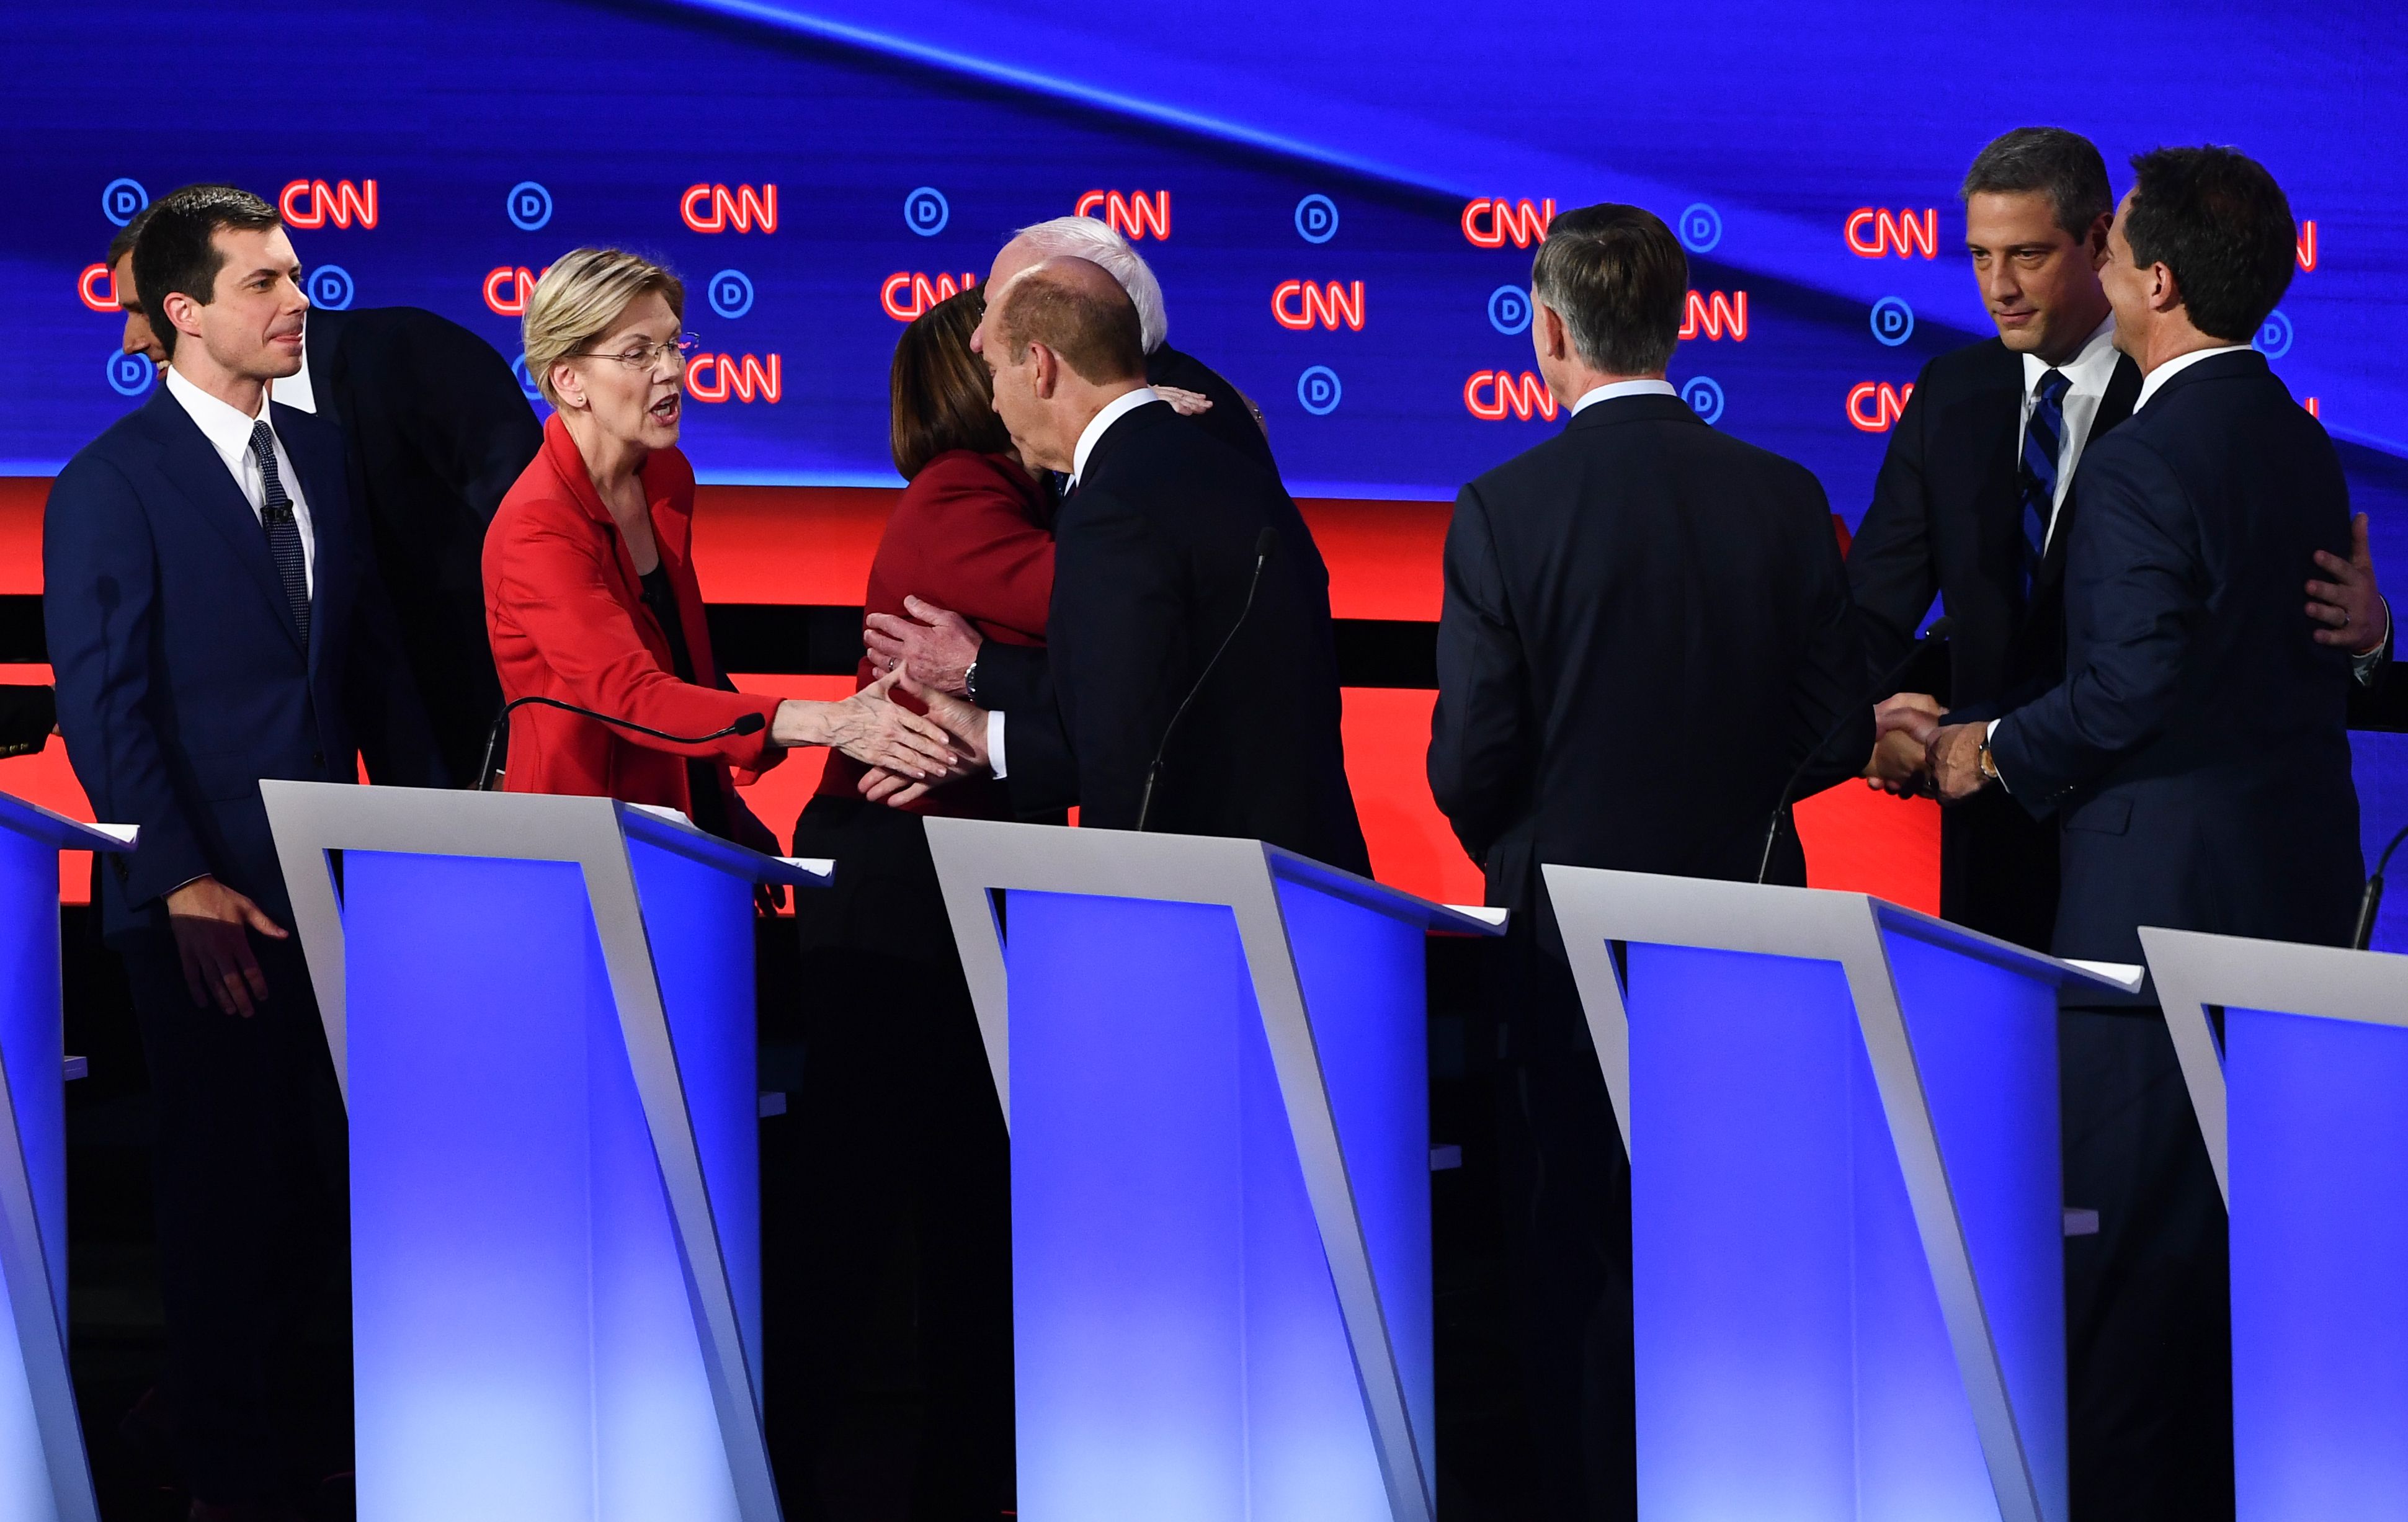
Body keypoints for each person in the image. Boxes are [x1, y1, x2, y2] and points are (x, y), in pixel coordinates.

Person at [1922, 146, 2361, 1521]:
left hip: (2148, 929)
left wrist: (1983, 749)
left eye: (2108, 249)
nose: (2094, 265)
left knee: (2123, 1286)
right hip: (2295, 902)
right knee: (2255, 1267)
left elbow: (2128, 688)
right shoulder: (2299, 436)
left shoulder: (2140, 464)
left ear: (2154, 282)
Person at [1426, 203, 1871, 1522]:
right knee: (1734, 1275)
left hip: (1564, 962)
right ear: (1681, 321)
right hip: (1752, 946)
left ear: (1547, 330)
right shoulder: (1787, 498)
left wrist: (1530, 852)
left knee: (1578, 1283)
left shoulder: (1506, 508)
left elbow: (1468, 760)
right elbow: (1838, 725)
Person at [45, 182, 446, 1521]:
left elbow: (368, 667)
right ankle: (222, 1474)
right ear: (182, 314)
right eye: (265, 284)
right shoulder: (113, 482)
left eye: (299, 277)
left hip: (340, 893)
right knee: (225, 1199)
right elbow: (109, 707)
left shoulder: (322, 460)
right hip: (200, 900)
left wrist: (442, 838)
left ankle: (314, 1455)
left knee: (328, 1190)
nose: (298, 305)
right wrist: (178, 880)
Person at [1849, 127, 2388, 950]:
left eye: (2026, 255)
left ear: (2102, 243)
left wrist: (2370, 641)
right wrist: (1859, 730)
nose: (1999, 288)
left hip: (2144, 851)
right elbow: (1872, 611)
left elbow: (2195, 659)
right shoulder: (1950, 394)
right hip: (1996, 842)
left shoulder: (2184, 405)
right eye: (1978, 256)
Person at [774, 284, 1035, 1520]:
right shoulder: (957, 502)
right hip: (900, 902)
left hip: (942, 890)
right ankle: (769, 1473)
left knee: (963, 1210)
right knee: (860, 1212)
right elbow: (1110, 612)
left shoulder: (992, 500)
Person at [868, 257, 1368, 873]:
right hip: (1311, 873)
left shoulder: (1113, 507)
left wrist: (987, 713)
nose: (993, 404)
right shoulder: (1229, 468)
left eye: (995, 373)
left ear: (1041, 368)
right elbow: (1174, 697)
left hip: (1200, 892)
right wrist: (989, 736)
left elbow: (1122, 732)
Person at [483, 246, 960, 845]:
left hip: (685, 812)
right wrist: (828, 723)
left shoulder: (665, 477)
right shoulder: (539, 529)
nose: (672, 370)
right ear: (569, 381)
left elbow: (685, 663)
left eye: (674, 345)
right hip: (587, 838)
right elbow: (630, 694)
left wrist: (726, 810)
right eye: (637, 354)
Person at [273, 300, 543, 786]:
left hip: (502, 743)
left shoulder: (410, 350)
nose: (133, 340)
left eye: (142, 309)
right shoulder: (218, 439)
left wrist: (523, 746)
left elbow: (540, 544)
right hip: (367, 777)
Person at [979, 215, 1275, 473]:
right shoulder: (1128, 411)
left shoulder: (1167, 432)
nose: (976, 340)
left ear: (1083, 309)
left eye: (1002, 311)